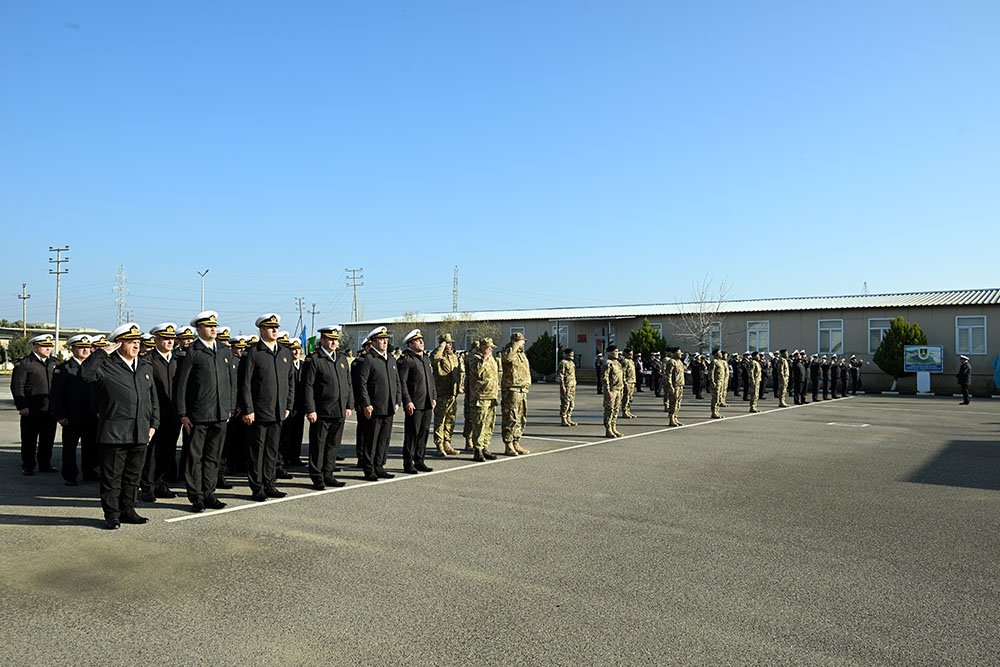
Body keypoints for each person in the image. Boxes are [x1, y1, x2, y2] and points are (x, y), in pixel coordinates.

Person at [80, 323, 159, 530]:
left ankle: (128, 510)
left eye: (138, 342)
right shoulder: (106, 365)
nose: (136, 345)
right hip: (114, 432)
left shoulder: (144, 366)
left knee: (133, 476)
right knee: (112, 477)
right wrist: (103, 353)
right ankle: (112, 514)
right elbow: (85, 374)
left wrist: (154, 424)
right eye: (132, 342)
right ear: (119, 344)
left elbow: (153, 399)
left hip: (141, 431)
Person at [174, 311, 235, 512]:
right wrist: (183, 413)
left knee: (213, 456)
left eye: (214, 326)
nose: (213, 329)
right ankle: (196, 496)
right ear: (199, 329)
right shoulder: (193, 351)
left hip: (220, 413)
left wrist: (230, 407)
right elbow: (182, 385)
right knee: (195, 457)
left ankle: (209, 493)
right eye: (209, 326)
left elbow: (231, 383)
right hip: (199, 414)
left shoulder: (225, 351)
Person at [239, 313, 296, 501]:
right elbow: (245, 384)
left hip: (278, 410)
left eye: (276, 327)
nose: (274, 330)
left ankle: (270, 484)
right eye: (270, 328)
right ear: (261, 330)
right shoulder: (253, 353)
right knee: (257, 451)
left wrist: (288, 405)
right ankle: (257, 488)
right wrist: (248, 409)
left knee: (272, 450)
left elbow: (290, 382)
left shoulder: (284, 353)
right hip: (259, 411)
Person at [303, 326, 352, 489]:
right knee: (319, 444)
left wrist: (349, 404)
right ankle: (317, 476)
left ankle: (328, 474)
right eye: (330, 339)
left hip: (339, 409)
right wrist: (311, 409)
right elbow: (308, 386)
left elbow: (348, 383)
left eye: (336, 339)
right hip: (322, 410)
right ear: (322, 340)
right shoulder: (314, 359)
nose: (333, 342)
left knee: (333, 444)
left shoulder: (342, 358)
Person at [353, 326, 402, 481]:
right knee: (371, 439)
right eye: (381, 339)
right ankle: (369, 468)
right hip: (374, 406)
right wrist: (366, 404)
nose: (385, 342)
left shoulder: (391, 359)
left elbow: (397, 382)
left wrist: (397, 400)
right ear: (373, 342)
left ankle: (380, 466)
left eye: (386, 339)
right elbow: (362, 383)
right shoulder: (369, 359)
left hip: (389, 406)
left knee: (384, 439)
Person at [140, 323, 181, 502]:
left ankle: (160, 483)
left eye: (171, 338)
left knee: (168, 451)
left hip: (174, 413)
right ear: (156, 339)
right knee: (152, 453)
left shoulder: (179, 360)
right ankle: (147, 486)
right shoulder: (147, 360)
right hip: (155, 414)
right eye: (165, 338)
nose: (169, 341)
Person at [51, 334, 99, 485]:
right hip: (72, 417)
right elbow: (56, 395)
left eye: (87, 347)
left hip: (92, 415)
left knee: (90, 447)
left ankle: (89, 471)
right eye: (81, 347)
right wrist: (60, 415)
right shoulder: (63, 369)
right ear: (72, 349)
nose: (85, 350)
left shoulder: (96, 367)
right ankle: (70, 475)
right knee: (70, 449)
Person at [10, 333, 59, 476]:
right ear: (35, 346)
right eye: (44, 346)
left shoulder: (55, 363)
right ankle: (28, 465)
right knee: (29, 439)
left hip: (50, 409)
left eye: (50, 346)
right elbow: (17, 387)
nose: (48, 348)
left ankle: (45, 464)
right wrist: (22, 406)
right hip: (31, 409)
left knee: (47, 439)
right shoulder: (25, 363)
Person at [397, 329, 437, 474]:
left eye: (422, 340)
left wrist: (434, 396)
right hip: (415, 403)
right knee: (412, 434)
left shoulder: (425, 358)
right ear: (410, 344)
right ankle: (408, 463)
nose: (421, 342)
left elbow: (430, 380)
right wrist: (407, 401)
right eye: (418, 341)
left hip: (427, 402)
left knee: (424, 432)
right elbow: (402, 382)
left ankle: (419, 460)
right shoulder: (406, 360)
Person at [500, 331, 531, 456]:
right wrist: (515, 346)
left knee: (520, 418)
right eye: (521, 341)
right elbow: (507, 359)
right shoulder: (509, 351)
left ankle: (516, 442)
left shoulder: (522, 355)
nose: (523, 343)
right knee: (510, 417)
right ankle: (508, 444)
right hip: (511, 390)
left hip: (522, 389)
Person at [467, 338, 500, 460]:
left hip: (491, 396)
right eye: (488, 347)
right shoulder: (474, 358)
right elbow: (478, 372)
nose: (491, 349)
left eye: (491, 347)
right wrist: (485, 357)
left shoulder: (492, 359)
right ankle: (477, 450)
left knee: (489, 424)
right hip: (480, 397)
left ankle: (485, 447)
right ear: (482, 347)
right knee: (479, 424)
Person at [431, 333, 461, 456]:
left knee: (450, 419)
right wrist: (441, 347)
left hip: (452, 393)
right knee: (440, 420)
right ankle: (439, 444)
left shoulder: (454, 356)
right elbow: (434, 359)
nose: (449, 345)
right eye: (447, 343)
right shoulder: (438, 355)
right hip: (441, 393)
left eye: (450, 343)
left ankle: (447, 442)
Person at [602, 345, 624, 437]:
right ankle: (608, 429)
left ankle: (613, 427)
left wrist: (622, 389)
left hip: (618, 389)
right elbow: (605, 378)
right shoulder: (608, 363)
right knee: (609, 410)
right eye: (615, 351)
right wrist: (607, 391)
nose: (617, 353)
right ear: (610, 352)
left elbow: (621, 377)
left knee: (616, 410)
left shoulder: (618, 363)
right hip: (612, 390)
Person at [665, 347, 686, 427]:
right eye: (679, 353)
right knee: (673, 403)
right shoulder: (671, 362)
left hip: (680, 385)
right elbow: (668, 375)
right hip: (674, 385)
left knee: (678, 403)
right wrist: (670, 386)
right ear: (674, 353)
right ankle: (671, 419)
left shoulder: (679, 362)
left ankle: (676, 417)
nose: (680, 354)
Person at [558, 348, 578, 426]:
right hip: (566, 385)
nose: (571, 355)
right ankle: (563, 418)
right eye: (570, 354)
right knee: (565, 403)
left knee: (571, 403)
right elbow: (560, 375)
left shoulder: (572, 363)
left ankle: (568, 417)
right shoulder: (563, 363)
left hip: (572, 385)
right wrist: (562, 386)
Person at [708, 349, 727, 419]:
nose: (721, 354)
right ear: (716, 354)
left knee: (719, 397)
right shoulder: (714, 362)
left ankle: (717, 411)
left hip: (721, 382)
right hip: (716, 382)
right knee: (715, 397)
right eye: (719, 353)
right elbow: (711, 372)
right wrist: (712, 381)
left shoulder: (721, 362)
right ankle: (714, 412)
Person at [620, 349, 637, 419]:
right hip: (627, 381)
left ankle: (628, 410)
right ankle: (624, 411)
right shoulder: (625, 361)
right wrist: (624, 382)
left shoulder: (631, 361)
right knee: (626, 397)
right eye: (630, 354)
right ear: (626, 354)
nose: (632, 355)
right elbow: (623, 372)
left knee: (630, 398)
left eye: (632, 354)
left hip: (632, 381)